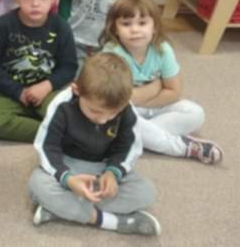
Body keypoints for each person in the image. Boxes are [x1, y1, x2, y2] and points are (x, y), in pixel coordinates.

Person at [29, 53, 161, 237]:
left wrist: (113, 172)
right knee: (37, 184)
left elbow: (129, 147)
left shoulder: (126, 108)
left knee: (146, 192)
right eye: (95, 111)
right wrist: (67, 179)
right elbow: (46, 147)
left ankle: (62, 209)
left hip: (103, 168)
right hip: (68, 165)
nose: (103, 120)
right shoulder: (62, 105)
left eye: (112, 114)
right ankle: (109, 221)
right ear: (76, 90)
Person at [101, 0, 223, 164]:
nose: (135, 29)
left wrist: (140, 99)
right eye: (126, 24)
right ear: (115, 28)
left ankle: (137, 137)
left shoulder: (163, 50)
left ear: (154, 27)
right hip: (125, 110)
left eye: (142, 23)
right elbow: (119, 100)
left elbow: (174, 92)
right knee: (115, 116)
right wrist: (155, 87)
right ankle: (182, 147)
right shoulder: (111, 53)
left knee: (196, 113)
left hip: (153, 105)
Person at [0, 0, 78, 142]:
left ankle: (56, 127)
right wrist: (18, 91)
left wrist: (46, 86)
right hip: (10, 92)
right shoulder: (1, 26)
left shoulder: (61, 27)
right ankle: (50, 133)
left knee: (72, 116)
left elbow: (69, 67)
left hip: (48, 90)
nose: (35, 3)